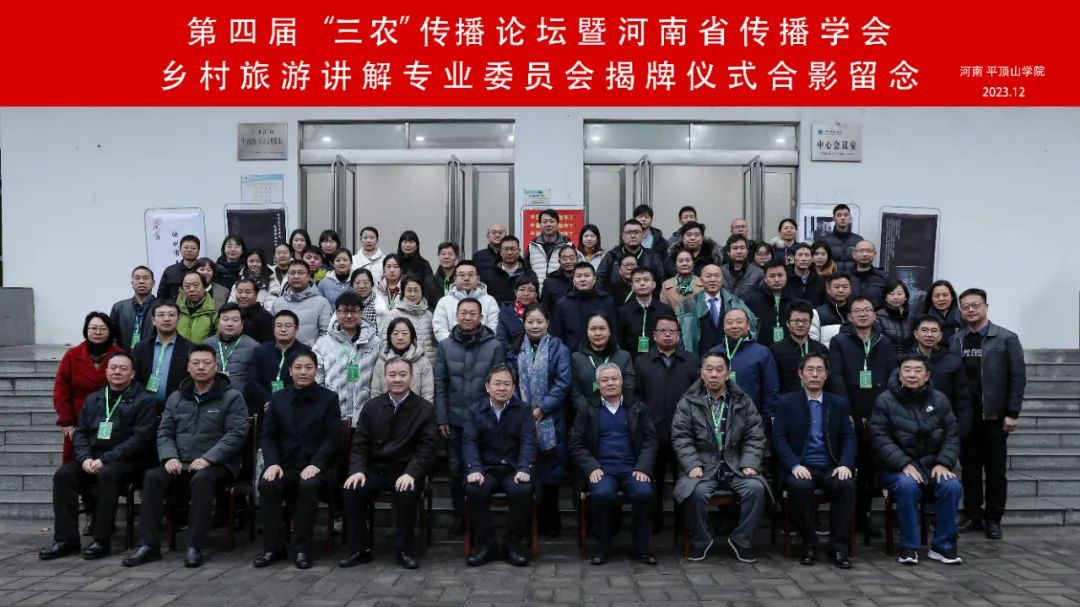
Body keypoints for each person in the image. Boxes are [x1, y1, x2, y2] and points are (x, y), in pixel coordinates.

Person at [122, 346, 249, 568]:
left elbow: (237, 434)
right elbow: (165, 432)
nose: (201, 367)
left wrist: (209, 459)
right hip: (180, 462)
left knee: (202, 479)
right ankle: (148, 545)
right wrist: (169, 457)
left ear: (216, 367)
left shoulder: (231, 397)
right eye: (196, 363)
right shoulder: (176, 397)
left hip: (218, 465)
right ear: (188, 367)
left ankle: (194, 545)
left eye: (206, 363)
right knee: (153, 477)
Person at [40, 352, 157, 561]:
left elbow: (139, 439)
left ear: (132, 374)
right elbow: (81, 432)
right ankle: (66, 540)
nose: (117, 372)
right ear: (106, 372)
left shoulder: (144, 401)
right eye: (113, 368)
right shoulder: (94, 398)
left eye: (123, 368)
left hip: (127, 461)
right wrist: (85, 458)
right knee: (64, 475)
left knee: (107, 474)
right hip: (93, 457)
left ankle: (101, 540)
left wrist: (105, 460)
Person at [671, 351, 769, 563]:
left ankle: (741, 540)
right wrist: (692, 464)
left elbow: (755, 435)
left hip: (736, 466)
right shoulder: (687, 402)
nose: (714, 374)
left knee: (756, 489)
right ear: (702, 373)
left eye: (719, 369)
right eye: (709, 369)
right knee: (695, 492)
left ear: (728, 373)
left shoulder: (744, 401)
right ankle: (701, 540)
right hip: (703, 467)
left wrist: (750, 463)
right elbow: (681, 437)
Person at [340, 358, 437, 570]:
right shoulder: (371, 407)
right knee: (352, 489)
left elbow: (427, 449)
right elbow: (360, 444)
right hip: (375, 470)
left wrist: (411, 473)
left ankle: (404, 550)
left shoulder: (424, 409)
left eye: (402, 374)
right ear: (385, 378)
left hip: (405, 470)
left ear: (411, 377)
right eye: (392, 375)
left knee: (406, 492)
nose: (397, 379)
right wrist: (357, 470)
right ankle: (359, 549)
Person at [870, 353, 963, 566]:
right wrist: (903, 463)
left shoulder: (940, 400)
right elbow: (880, 438)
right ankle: (909, 546)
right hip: (895, 468)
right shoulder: (885, 400)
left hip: (932, 466)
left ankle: (943, 545)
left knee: (951, 485)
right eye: (907, 370)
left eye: (917, 370)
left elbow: (952, 435)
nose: (912, 375)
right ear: (899, 374)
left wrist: (943, 462)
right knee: (907, 485)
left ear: (927, 375)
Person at [254, 351, 342, 570]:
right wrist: (272, 463)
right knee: (267, 484)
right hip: (285, 465)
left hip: (317, 466)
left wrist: (316, 464)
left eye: (308, 367)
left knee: (308, 485)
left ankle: (302, 548)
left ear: (316, 370)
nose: (303, 372)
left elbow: (333, 437)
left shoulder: (329, 399)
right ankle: (273, 547)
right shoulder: (278, 399)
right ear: (290, 371)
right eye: (298, 367)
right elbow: (268, 436)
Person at [952, 288, 1026, 541]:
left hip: (994, 416)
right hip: (965, 417)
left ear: (986, 306)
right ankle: (973, 514)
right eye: (965, 306)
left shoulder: (1006, 338)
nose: (970, 310)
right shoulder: (956, 340)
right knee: (969, 469)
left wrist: (1012, 412)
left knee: (995, 471)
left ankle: (993, 519)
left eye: (975, 305)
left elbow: (1017, 378)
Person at [772, 354, 856, 568]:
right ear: (800, 374)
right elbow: (778, 438)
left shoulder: (837, 403)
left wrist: (845, 464)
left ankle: (838, 547)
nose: (815, 374)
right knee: (801, 486)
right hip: (800, 466)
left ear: (826, 375)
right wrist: (794, 465)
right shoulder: (786, 402)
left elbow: (848, 436)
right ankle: (808, 544)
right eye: (810, 370)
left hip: (830, 466)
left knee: (846, 484)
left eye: (820, 370)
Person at [569, 362, 658, 565]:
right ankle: (602, 548)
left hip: (632, 468)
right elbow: (575, 443)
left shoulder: (637, 407)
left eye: (614, 379)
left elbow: (650, 440)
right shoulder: (587, 409)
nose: (610, 383)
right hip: (602, 469)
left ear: (622, 381)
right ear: (597, 384)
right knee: (601, 495)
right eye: (605, 380)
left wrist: (643, 467)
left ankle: (642, 548)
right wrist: (591, 467)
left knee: (644, 494)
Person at [827, 297, 899, 537]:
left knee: (870, 469)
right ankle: (847, 521)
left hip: (878, 414)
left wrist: (887, 409)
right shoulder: (839, 341)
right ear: (849, 316)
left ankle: (865, 518)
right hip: (850, 413)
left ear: (875, 315)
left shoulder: (884, 342)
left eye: (868, 310)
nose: (863, 314)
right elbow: (835, 376)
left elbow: (893, 376)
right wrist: (845, 411)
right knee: (850, 467)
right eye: (858, 311)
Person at [435, 298, 506, 537]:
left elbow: (499, 384)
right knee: (455, 469)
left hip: (484, 421)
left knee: (480, 469)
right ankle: (460, 516)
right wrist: (442, 417)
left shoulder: (494, 346)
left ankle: (479, 520)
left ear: (481, 317)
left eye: (472, 313)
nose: (467, 317)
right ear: (456, 316)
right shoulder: (445, 346)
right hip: (455, 420)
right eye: (463, 313)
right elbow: (440, 384)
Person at [462, 367, 537, 567]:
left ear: (513, 388)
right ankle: (486, 545)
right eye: (497, 383)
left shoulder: (524, 410)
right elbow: (469, 442)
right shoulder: (474, 411)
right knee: (474, 489)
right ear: (487, 387)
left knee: (522, 490)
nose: (502, 388)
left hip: (513, 468)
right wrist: (474, 468)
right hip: (486, 468)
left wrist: (525, 468)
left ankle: (512, 545)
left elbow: (529, 442)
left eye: (506, 384)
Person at [633, 314, 701, 532]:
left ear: (679, 335)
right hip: (653, 432)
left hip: (685, 432)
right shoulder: (642, 362)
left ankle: (683, 525)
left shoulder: (692, 361)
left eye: (672, 331)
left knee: (685, 479)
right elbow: (637, 396)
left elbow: (698, 396)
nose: (668, 335)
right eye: (663, 331)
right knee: (654, 480)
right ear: (654, 335)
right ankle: (655, 523)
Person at [509, 304, 572, 538]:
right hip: (521, 418)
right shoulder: (515, 348)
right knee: (526, 470)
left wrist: (542, 408)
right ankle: (526, 524)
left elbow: (563, 383)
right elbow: (509, 382)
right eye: (530, 322)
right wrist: (524, 410)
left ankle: (550, 522)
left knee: (551, 474)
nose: (535, 326)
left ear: (547, 323)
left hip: (552, 420)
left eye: (539, 321)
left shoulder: (558, 348)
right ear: (524, 323)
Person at [53, 312, 126, 466]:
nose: (98, 332)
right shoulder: (72, 355)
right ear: (86, 330)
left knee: (106, 464)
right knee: (74, 465)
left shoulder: (120, 356)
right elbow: (61, 390)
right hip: (78, 419)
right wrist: (66, 421)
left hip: (111, 417)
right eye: (93, 328)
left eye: (103, 329)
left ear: (110, 331)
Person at [313, 291, 381, 427]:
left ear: (361, 313)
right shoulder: (322, 344)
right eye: (344, 311)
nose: (349, 316)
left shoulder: (375, 343)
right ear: (337, 313)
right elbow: (317, 379)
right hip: (333, 415)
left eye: (354, 311)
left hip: (366, 416)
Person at [707, 308, 781, 419]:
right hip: (719, 419)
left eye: (739, 322)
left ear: (748, 325)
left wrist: (766, 420)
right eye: (729, 322)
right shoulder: (713, 353)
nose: (734, 326)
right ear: (724, 326)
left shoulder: (762, 353)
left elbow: (771, 390)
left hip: (751, 419)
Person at [675, 263, 756, 355]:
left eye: (717, 276)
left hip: (730, 357)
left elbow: (753, 327)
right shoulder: (688, 305)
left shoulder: (735, 302)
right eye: (708, 276)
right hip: (699, 358)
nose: (713, 280)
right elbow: (680, 336)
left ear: (722, 279)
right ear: (701, 280)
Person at [912, 316, 973, 438]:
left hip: (945, 427)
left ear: (940, 336)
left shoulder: (952, 360)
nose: (929, 335)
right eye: (924, 330)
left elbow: (963, 398)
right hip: (912, 428)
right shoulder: (905, 361)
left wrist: (961, 430)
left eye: (934, 331)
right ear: (916, 334)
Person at [569, 313, 637, 412]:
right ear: (587, 332)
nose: (598, 333)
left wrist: (614, 410)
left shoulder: (624, 356)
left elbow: (628, 387)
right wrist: (589, 412)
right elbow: (575, 391)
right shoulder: (576, 358)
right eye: (593, 329)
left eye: (602, 328)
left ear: (609, 331)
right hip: (586, 415)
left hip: (618, 412)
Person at [132, 301, 194, 408]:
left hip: (178, 406)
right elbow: (134, 378)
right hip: (144, 407)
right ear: (153, 320)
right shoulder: (141, 348)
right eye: (161, 315)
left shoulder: (190, 348)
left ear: (179, 319)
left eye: (171, 315)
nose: (166, 319)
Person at [248, 310, 313, 411]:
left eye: (288, 326)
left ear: (296, 329)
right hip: (265, 408)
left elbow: (306, 382)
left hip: (295, 407)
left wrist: (282, 402)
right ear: (273, 329)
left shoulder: (306, 352)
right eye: (279, 326)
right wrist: (270, 401)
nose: (283, 329)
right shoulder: (260, 351)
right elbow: (253, 381)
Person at [770, 301, 829, 394]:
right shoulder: (776, 350)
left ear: (810, 323)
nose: (800, 325)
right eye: (796, 321)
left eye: (804, 321)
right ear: (787, 323)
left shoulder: (821, 349)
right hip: (787, 400)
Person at [432, 260, 500, 342]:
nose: (466, 278)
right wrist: (454, 345)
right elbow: (439, 329)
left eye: (470, 275)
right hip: (452, 347)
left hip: (483, 346)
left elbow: (493, 328)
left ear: (478, 279)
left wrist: (479, 345)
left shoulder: (490, 301)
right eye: (462, 275)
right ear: (455, 279)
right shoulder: (444, 302)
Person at [371, 318, 435, 403]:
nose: (400, 337)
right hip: (386, 410)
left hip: (417, 410)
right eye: (395, 333)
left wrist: (423, 411)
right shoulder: (381, 362)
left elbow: (427, 394)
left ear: (411, 336)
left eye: (404, 333)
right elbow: (376, 393)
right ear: (389, 337)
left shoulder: (423, 361)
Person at [269, 260, 332, 346]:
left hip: (311, 352)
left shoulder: (321, 302)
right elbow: (271, 332)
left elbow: (326, 333)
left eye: (300, 273)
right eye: (292, 273)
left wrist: (312, 350)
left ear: (308, 277)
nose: (296, 276)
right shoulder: (278, 303)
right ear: (288, 277)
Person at [202, 303, 259, 396]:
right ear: (218, 322)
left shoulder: (254, 347)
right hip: (210, 398)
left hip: (241, 399)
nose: (229, 324)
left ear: (242, 324)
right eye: (225, 319)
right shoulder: (206, 345)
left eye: (235, 320)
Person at [379, 275, 437, 365]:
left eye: (416, 290)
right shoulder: (394, 314)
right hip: (403, 367)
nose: (413, 294)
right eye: (409, 290)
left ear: (422, 292)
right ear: (403, 292)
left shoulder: (428, 314)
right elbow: (385, 342)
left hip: (429, 366)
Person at [617, 268, 673, 359]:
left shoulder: (665, 309)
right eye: (637, 280)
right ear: (632, 286)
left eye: (646, 280)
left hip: (661, 360)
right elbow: (620, 341)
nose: (642, 283)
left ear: (654, 284)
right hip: (632, 361)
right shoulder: (623, 312)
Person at [596, 219, 666, 289]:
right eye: (629, 233)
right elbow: (599, 282)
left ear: (642, 235)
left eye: (636, 232)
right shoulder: (612, 256)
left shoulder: (652, 257)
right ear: (623, 236)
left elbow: (661, 282)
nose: (633, 236)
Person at [746, 260, 794, 348]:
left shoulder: (794, 302)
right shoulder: (751, 301)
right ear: (765, 278)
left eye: (780, 275)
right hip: (761, 349)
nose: (776, 279)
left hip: (788, 349)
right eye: (772, 276)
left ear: (786, 276)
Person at [110, 266, 157, 350]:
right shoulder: (119, 307)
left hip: (153, 355)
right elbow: (112, 336)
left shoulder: (161, 307)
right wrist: (119, 354)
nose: (141, 281)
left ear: (153, 283)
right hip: (124, 356)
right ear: (132, 283)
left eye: (145, 278)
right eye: (137, 278)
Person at [482, 235, 537, 305]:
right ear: (500, 252)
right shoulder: (488, 275)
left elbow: (535, 300)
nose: (509, 253)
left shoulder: (529, 274)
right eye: (506, 249)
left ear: (519, 251)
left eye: (513, 249)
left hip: (523, 311)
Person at [496, 275, 540, 355]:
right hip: (513, 356)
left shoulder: (542, 312)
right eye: (522, 289)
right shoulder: (506, 312)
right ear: (515, 292)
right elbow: (501, 341)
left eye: (531, 290)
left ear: (536, 294)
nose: (526, 293)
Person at [527, 208, 575, 279]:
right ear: (540, 224)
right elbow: (527, 271)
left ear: (558, 223)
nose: (548, 224)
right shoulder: (532, 246)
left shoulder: (568, 245)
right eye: (545, 222)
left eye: (552, 221)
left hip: (560, 285)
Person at [812, 272, 853, 347]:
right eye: (836, 287)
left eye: (845, 287)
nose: (841, 290)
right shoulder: (817, 313)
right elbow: (813, 343)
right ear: (828, 289)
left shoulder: (856, 312)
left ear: (850, 289)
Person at [876, 278, 915, 357]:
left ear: (906, 297)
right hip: (886, 359)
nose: (896, 297)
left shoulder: (911, 317)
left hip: (908, 360)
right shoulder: (878, 317)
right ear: (885, 298)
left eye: (899, 294)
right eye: (891, 294)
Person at [819, 204, 863, 274]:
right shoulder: (825, 240)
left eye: (846, 215)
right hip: (832, 278)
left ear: (850, 218)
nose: (843, 218)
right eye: (839, 215)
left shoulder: (858, 240)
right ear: (834, 219)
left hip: (853, 278)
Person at [177, 271, 218, 344]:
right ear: (182, 289)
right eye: (187, 286)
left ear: (204, 287)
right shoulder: (177, 310)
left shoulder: (215, 310)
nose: (192, 289)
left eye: (196, 285)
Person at [540, 243, 582, 314]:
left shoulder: (583, 279)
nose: (568, 261)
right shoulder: (550, 282)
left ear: (577, 259)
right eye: (564, 259)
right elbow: (544, 308)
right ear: (559, 261)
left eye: (571, 258)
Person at [157, 234, 201, 300]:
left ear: (198, 251)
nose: (189, 250)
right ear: (180, 250)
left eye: (193, 248)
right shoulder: (170, 271)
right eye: (186, 247)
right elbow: (161, 297)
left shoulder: (204, 271)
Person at [720, 234, 764, 301]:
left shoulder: (758, 273)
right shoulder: (720, 271)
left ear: (747, 251)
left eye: (742, 248)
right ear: (728, 252)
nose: (739, 251)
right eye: (735, 248)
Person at [850, 240, 888, 309]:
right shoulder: (846, 277)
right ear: (854, 254)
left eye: (869, 251)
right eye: (861, 251)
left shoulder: (882, 276)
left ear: (875, 254)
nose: (865, 254)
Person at [234, 278, 274, 343]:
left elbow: (268, 345)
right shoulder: (234, 314)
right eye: (240, 292)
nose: (243, 296)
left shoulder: (265, 317)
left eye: (248, 292)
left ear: (256, 294)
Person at [425, 241, 459, 312]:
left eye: (450, 254)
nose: (446, 257)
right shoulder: (429, 281)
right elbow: (426, 305)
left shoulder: (461, 280)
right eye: (443, 254)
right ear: (438, 257)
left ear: (456, 258)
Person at [373, 254, 405, 329]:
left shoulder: (406, 287)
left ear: (401, 270)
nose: (392, 270)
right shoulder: (376, 288)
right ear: (384, 269)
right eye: (388, 267)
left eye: (396, 267)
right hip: (380, 328)